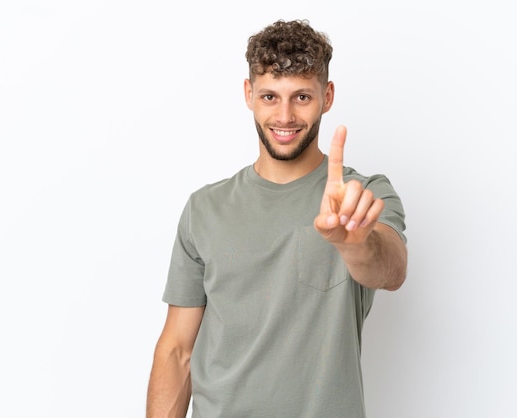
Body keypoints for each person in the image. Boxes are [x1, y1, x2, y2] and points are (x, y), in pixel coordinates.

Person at [146, 19, 408, 418]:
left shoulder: (363, 196)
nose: (284, 115)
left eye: (301, 96)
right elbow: (177, 350)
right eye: (270, 96)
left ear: (327, 95)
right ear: (249, 94)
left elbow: (390, 269)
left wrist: (354, 243)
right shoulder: (204, 208)